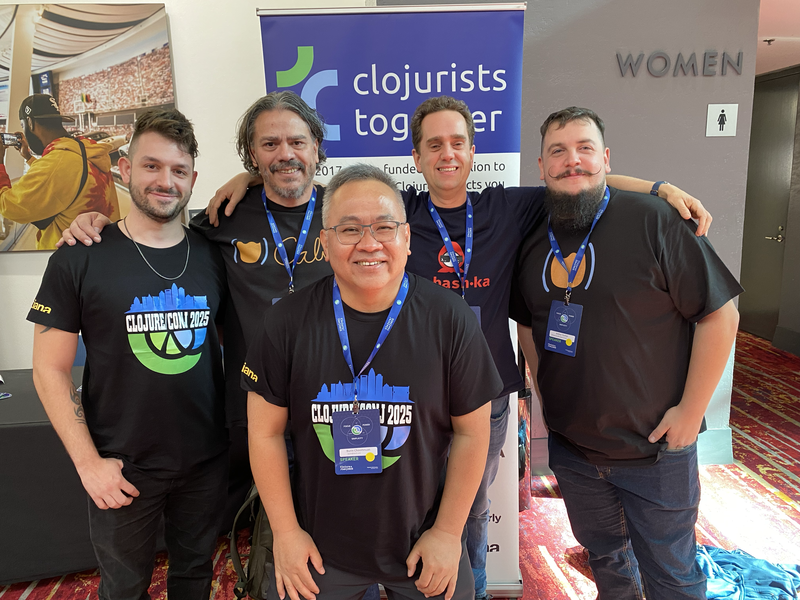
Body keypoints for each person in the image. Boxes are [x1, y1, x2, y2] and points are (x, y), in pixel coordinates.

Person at [59, 94, 712, 600]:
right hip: (314, 407)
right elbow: (175, 219)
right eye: (433, 145)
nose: (447, 153)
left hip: (447, 402)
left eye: (457, 142)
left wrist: (657, 188)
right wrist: (112, 221)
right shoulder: (277, 218)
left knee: (453, 531)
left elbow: (575, 179)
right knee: (309, 539)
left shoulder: (469, 208)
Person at [512, 106, 742, 600]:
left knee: (672, 574)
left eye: (585, 148)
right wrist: (547, 396)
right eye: (558, 151)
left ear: (606, 158)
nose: (572, 160)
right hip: (575, 450)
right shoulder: (530, 235)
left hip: (655, 448)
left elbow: (720, 316)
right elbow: (527, 324)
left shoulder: (655, 219)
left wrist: (691, 412)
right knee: (608, 563)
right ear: (541, 166)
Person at [244, 163, 502, 600]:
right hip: (317, 550)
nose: (369, 244)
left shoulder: (450, 319)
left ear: (406, 237)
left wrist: (447, 532)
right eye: (349, 230)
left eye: (384, 227)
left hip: (424, 544)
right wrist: (285, 533)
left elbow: (473, 433)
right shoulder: (285, 322)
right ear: (325, 242)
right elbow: (264, 433)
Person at [28, 107, 228, 599]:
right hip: (120, 465)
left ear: (193, 179)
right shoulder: (80, 254)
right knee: (123, 587)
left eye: (179, 170)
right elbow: (49, 369)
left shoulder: (214, 254)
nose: (165, 181)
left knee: (195, 577)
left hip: (205, 460)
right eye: (151, 166)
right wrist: (88, 465)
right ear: (125, 169)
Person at [0, 94, 120, 249]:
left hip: (70, 254)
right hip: (102, 246)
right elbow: (62, 177)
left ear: (29, 122)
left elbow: (8, 206)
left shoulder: (56, 162)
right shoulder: (84, 148)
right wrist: (28, 157)